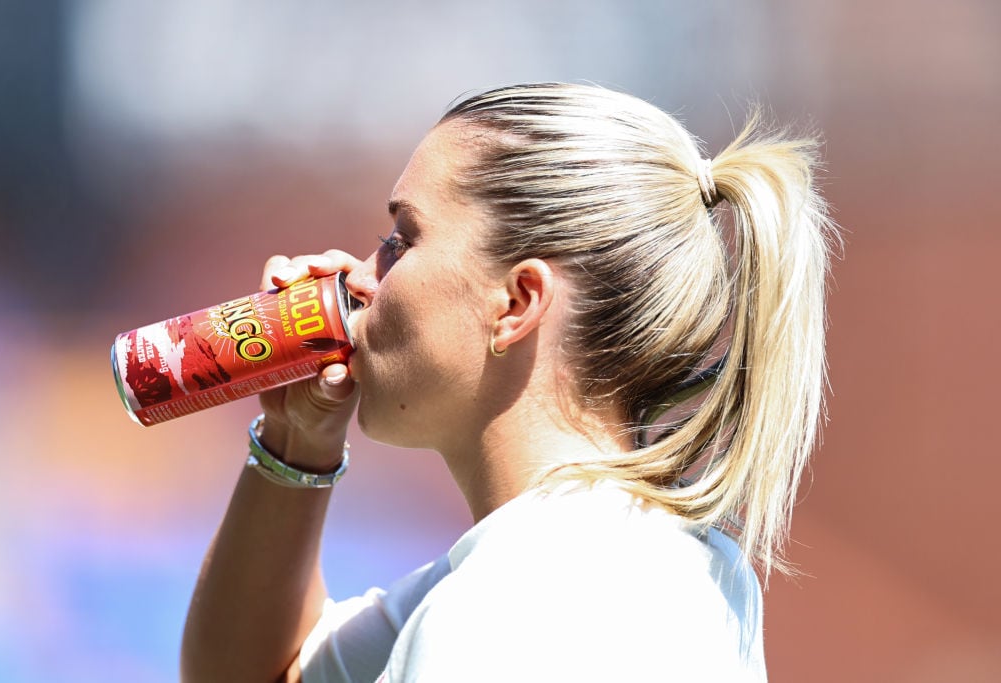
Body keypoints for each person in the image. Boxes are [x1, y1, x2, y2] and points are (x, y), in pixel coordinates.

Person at [180, 82, 835, 682]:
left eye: (401, 240)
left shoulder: (510, 606)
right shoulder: (671, 566)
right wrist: (297, 436)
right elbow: (260, 671)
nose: (357, 277)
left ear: (517, 302)